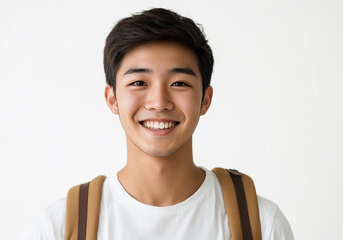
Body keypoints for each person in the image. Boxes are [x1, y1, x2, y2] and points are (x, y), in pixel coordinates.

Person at [20, 8, 294, 240]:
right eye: (139, 83)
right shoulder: (56, 227)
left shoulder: (263, 224)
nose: (159, 102)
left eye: (179, 83)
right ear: (112, 99)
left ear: (205, 100)